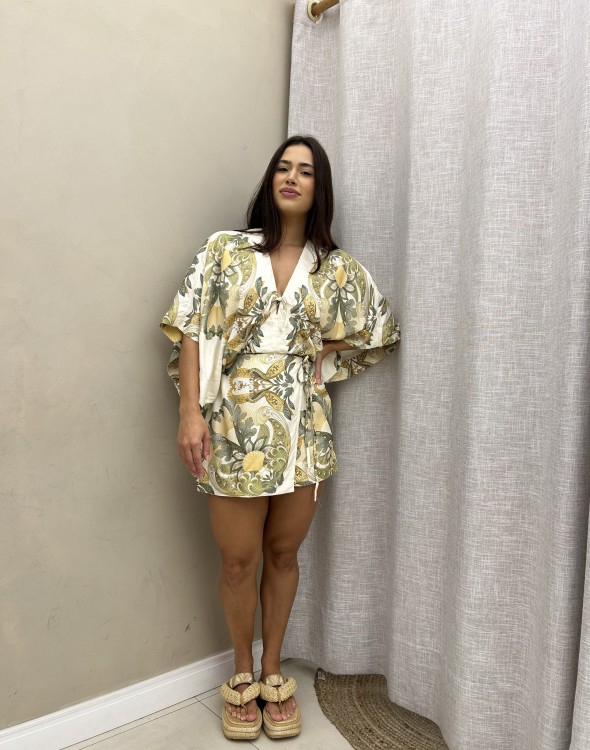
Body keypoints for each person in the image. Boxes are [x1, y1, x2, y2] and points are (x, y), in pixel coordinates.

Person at [160, 135, 400, 741]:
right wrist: (190, 413)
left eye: (306, 171)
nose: (292, 177)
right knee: (238, 560)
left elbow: (381, 329)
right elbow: (190, 326)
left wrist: (323, 351)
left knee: (284, 555)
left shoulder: (334, 267)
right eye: (283, 168)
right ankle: (241, 673)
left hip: (303, 429)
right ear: (271, 180)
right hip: (233, 425)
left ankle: (273, 670)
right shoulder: (225, 250)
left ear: (320, 190)